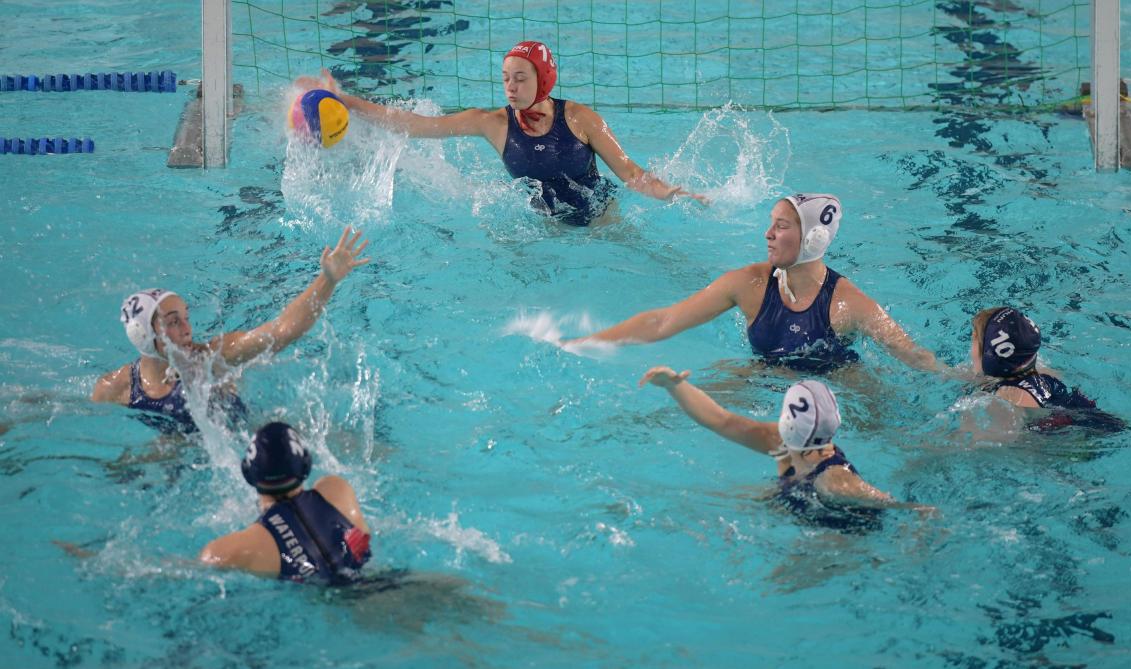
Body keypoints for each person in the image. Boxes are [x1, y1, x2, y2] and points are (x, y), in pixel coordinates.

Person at [294, 40, 705, 226]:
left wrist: (670, 193)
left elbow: (630, 173)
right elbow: (416, 126)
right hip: (539, 227)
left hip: (600, 220)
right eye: (506, 78)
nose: (510, 87)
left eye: (520, 78)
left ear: (544, 80)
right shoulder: (492, 122)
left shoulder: (581, 118)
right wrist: (346, 100)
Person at [570, 194, 940, 372]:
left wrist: (962, 378)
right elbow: (664, 321)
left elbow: (914, 356)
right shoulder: (748, 284)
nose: (768, 234)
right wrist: (586, 343)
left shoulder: (848, 304)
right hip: (764, 375)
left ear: (813, 239)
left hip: (837, 383)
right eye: (771, 223)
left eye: (782, 226)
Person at [91, 227, 370, 432]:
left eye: (187, 317)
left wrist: (327, 280)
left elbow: (283, 330)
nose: (188, 330)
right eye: (173, 322)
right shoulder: (114, 388)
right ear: (142, 334)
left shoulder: (212, 358)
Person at [639, 366, 934, 521]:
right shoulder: (781, 442)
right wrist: (673, 385)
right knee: (697, 505)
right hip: (794, 499)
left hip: (840, 535)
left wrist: (919, 531)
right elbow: (721, 420)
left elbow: (906, 507)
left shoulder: (836, 482)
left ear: (789, 425)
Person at [200, 421, 372, 583]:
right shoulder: (337, 489)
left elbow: (203, 563)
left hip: (325, 601)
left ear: (247, 474)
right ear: (306, 465)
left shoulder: (243, 548)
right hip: (379, 584)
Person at [968, 306, 1126, 433]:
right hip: (1102, 422)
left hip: (1079, 440)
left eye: (974, 340)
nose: (970, 349)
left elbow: (999, 444)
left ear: (991, 356)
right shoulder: (1042, 371)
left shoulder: (1007, 396)